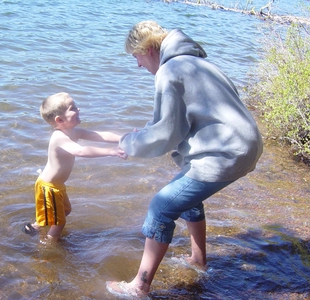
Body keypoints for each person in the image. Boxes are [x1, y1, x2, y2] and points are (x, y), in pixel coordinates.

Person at [106, 21, 263, 299]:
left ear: (149, 49)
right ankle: (198, 260)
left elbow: (167, 133)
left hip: (225, 153)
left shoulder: (169, 71)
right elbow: (185, 118)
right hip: (244, 146)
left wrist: (130, 144)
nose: (138, 65)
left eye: (136, 57)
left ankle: (139, 287)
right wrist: (143, 134)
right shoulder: (200, 64)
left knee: (160, 207)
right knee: (187, 196)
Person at [23, 92, 126, 244]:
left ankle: (36, 226)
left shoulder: (75, 132)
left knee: (65, 211)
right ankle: (47, 249)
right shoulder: (59, 137)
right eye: (73, 108)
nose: (79, 110)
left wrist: (124, 138)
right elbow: (81, 151)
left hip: (57, 186)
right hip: (48, 187)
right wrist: (110, 152)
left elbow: (100, 135)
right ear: (60, 119)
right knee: (60, 223)